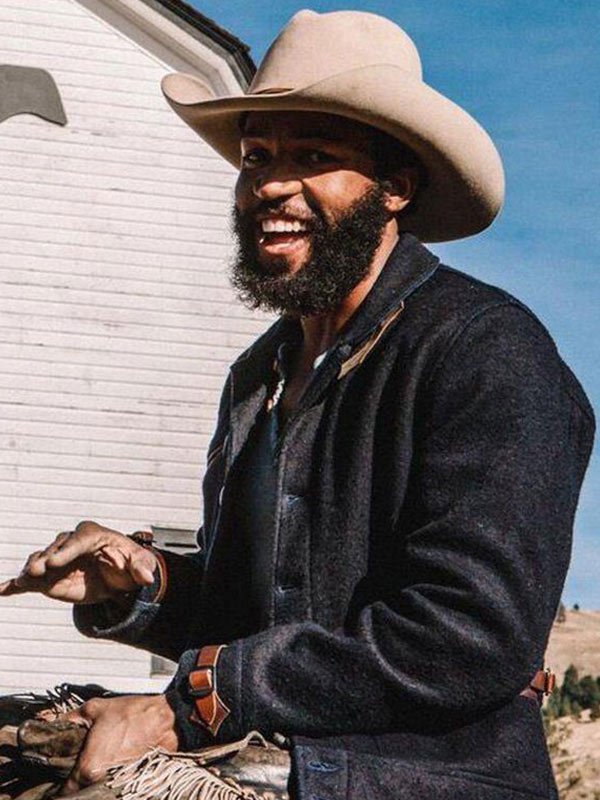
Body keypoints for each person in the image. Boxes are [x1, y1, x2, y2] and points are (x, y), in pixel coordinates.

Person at [0, 10, 594, 799]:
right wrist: (147, 585)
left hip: (417, 783)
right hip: (265, 761)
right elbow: (265, 620)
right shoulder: (260, 376)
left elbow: (467, 636)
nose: (272, 184)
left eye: (313, 157)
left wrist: (194, 702)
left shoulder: (485, 352)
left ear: (395, 188)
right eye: (257, 157)